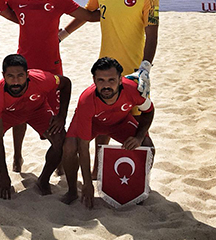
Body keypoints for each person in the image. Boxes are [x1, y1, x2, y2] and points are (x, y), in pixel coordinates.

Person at [64, 0, 159, 178]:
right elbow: (91, 14)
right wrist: (63, 33)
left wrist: (145, 68)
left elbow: (152, 33)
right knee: (103, 121)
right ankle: (97, 170)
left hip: (133, 73)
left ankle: (136, 179)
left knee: (136, 126)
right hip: (106, 71)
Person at [5, 0, 99, 172]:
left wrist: (111, 10)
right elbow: (2, 10)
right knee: (20, 113)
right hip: (24, 69)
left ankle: (58, 162)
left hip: (52, 67)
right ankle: (18, 156)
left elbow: (89, 17)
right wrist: (23, 20)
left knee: (56, 117)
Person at [60, 57, 155, 207]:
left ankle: (137, 189)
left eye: (111, 80)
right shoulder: (86, 100)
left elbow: (149, 111)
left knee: (147, 146)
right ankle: (72, 191)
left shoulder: (132, 90)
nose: (106, 86)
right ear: (94, 80)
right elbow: (83, 147)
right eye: (101, 80)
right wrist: (87, 184)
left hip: (120, 123)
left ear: (120, 79)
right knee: (69, 147)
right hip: (94, 124)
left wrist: (138, 137)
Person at [0, 54, 72, 198]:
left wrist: (62, 116)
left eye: (20, 76)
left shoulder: (42, 79)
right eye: (10, 76)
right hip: (7, 114)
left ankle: (43, 180)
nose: (16, 81)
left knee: (60, 138)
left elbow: (66, 83)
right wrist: (4, 175)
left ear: (27, 74)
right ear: (3, 75)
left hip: (37, 110)